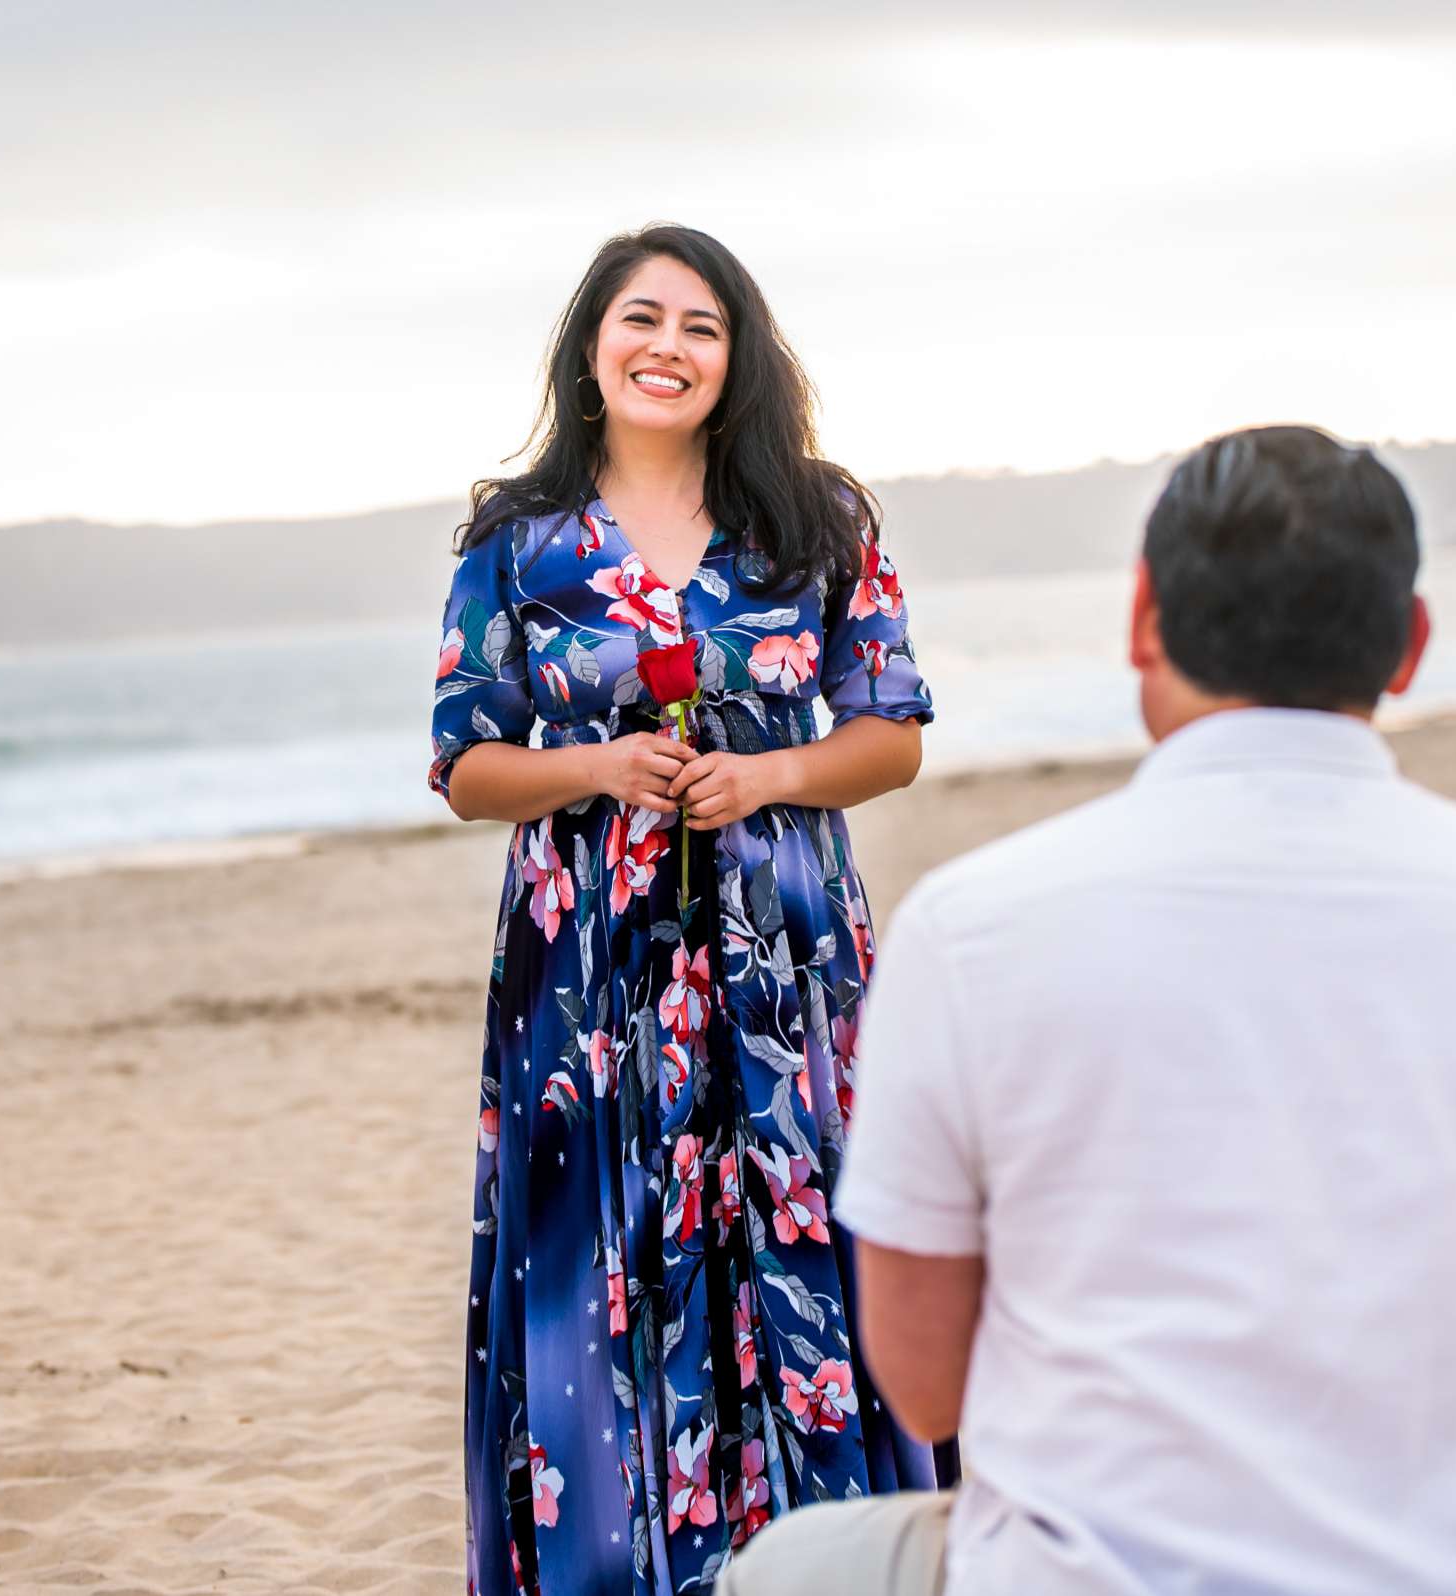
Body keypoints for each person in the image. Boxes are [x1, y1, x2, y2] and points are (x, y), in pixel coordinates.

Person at [719, 425, 1456, 1596]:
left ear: (1143, 618)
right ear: (1409, 646)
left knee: (787, 1570)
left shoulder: (974, 929)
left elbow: (926, 1382)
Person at [430, 223, 941, 1596]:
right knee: (600, 1273)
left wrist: (767, 771)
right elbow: (465, 766)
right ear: (592, 348)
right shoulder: (517, 543)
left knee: (807, 1246)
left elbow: (890, 735)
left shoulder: (818, 521)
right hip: (588, 976)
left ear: (739, 356)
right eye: (640, 319)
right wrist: (595, 767)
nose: (668, 346)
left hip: (787, 965)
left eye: (701, 325)